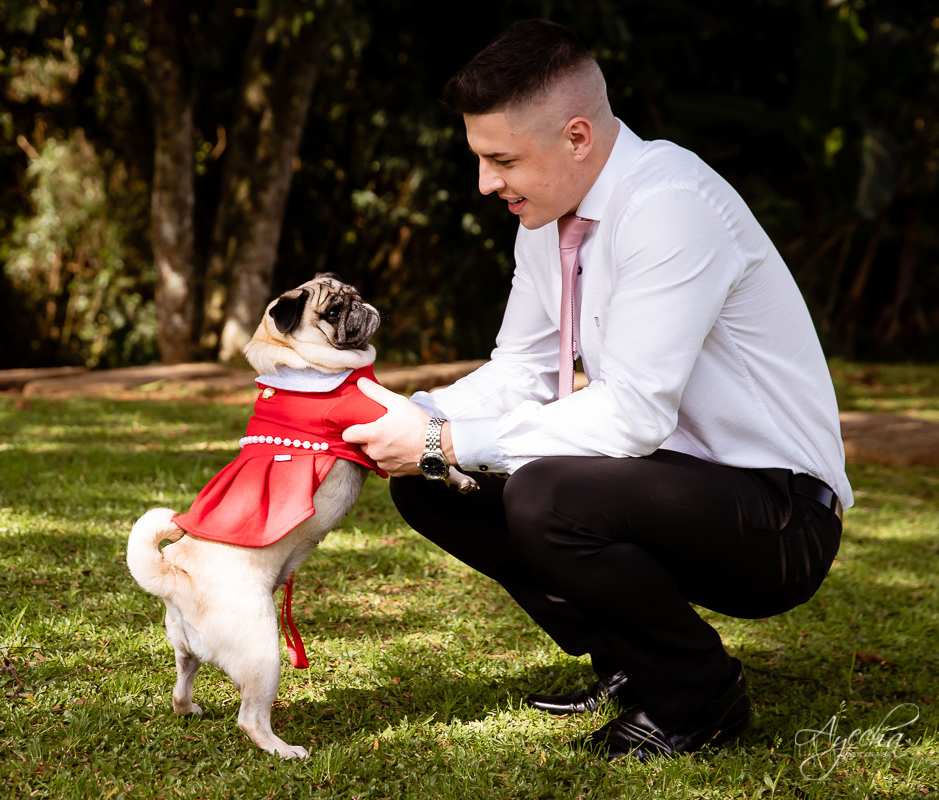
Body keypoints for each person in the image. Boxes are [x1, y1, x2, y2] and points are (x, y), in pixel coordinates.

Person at [341, 18, 851, 761]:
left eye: (501, 159)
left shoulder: (671, 204)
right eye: (481, 158)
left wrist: (441, 439)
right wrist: (405, 419)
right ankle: (627, 661)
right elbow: (521, 370)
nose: (486, 183)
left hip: (778, 514)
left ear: (577, 137)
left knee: (544, 495)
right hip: (668, 487)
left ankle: (698, 698)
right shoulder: (545, 214)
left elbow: (634, 416)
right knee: (430, 483)